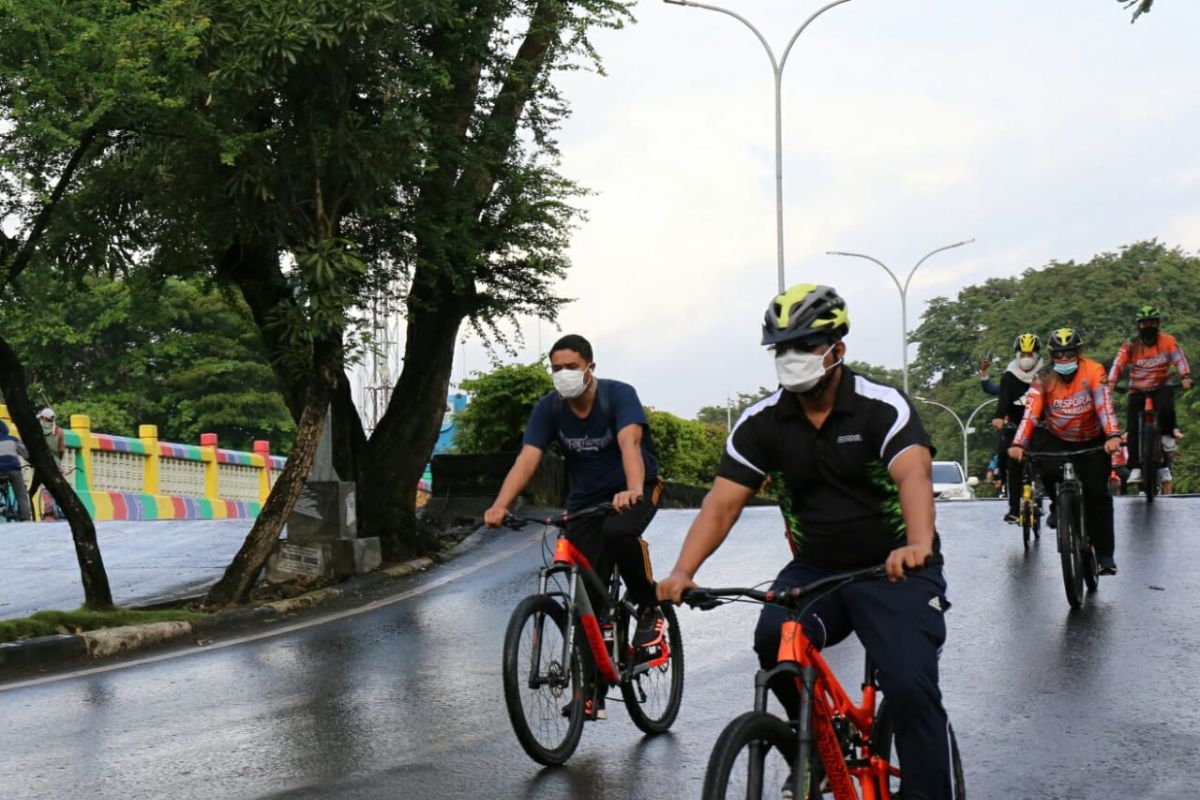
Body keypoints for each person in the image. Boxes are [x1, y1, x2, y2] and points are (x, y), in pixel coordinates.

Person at [656, 284, 955, 800]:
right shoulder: (762, 423)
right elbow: (722, 504)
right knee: (773, 641)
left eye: (805, 346)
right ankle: (814, 746)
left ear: (837, 348)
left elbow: (914, 476)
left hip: (896, 569)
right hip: (816, 570)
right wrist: (683, 572)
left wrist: (917, 543)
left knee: (909, 686)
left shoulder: (880, 406)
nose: (792, 359)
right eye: (782, 348)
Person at [483, 334, 666, 675]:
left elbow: (630, 444)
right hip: (585, 500)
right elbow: (527, 459)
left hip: (637, 487)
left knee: (618, 533)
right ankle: (590, 682)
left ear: (590, 367)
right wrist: (500, 505)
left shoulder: (618, 396)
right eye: (556, 369)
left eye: (571, 367)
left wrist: (633, 489)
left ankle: (648, 608)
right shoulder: (549, 408)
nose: (563, 374)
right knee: (583, 586)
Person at [1009, 328, 1122, 574]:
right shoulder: (1042, 378)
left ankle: (1104, 555)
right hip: (1057, 437)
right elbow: (1030, 414)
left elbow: (1104, 405)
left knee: (1097, 495)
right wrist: (1018, 443)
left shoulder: (1093, 371)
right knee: (1046, 467)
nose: (1063, 359)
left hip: (1093, 438)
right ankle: (1059, 507)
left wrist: (1112, 434)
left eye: (1069, 353)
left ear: (1079, 352)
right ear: (1051, 356)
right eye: (1058, 355)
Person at [1107, 305, 1192, 485]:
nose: (1148, 327)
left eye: (1152, 323)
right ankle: (1136, 468)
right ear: (1138, 326)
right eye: (1144, 324)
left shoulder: (1168, 341)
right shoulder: (1130, 345)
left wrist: (1185, 376)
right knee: (1132, 427)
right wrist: (1111, 382)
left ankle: (1167, 435)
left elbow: (1179, 358)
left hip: (1161, 386)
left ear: (1158, 324)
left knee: (1167, 405)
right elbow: (1117, 364)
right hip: (1137, 390)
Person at [991, 334, 1045, 523]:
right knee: (1013, 463)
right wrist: (999, 417)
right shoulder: (1009, 375)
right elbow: (1003, 399)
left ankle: (1053, 499)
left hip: (1041, 424)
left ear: (1037, 354)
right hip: (1016, 423)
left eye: (1030, 354)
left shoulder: (1046, 373)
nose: (1026, 358)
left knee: (1048, 460)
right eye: (1023, 354)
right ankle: (1014, 508)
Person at [27, 407, 66, 518]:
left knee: (36, 489)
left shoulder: (36, 430)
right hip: (55, 465)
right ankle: (59, 508)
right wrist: (58, 461)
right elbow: (62, 450)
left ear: (43, 418)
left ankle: (34, 509)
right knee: (60, 488)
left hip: (41, 465)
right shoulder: (59, 431)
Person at [0, 420, 32, 521]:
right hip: (14, 470)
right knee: (21, 494)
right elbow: (26, 453)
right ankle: (25, 517)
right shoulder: (13, 440)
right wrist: (30, 461)